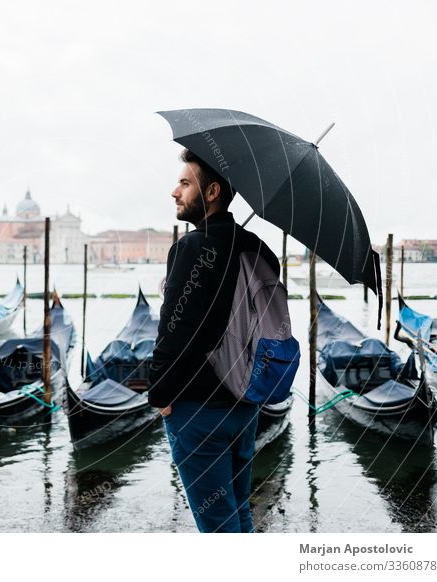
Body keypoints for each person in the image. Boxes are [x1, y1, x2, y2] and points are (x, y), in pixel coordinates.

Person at [147, 148, 280, 533]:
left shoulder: (190, 247)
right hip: (244, 406)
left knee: (217, 526)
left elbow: (175, 333)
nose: (175, 192)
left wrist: (160, 396)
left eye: (185, 183)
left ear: (212, 192)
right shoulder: (258, 248)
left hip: (197, 410)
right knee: (237, 512)